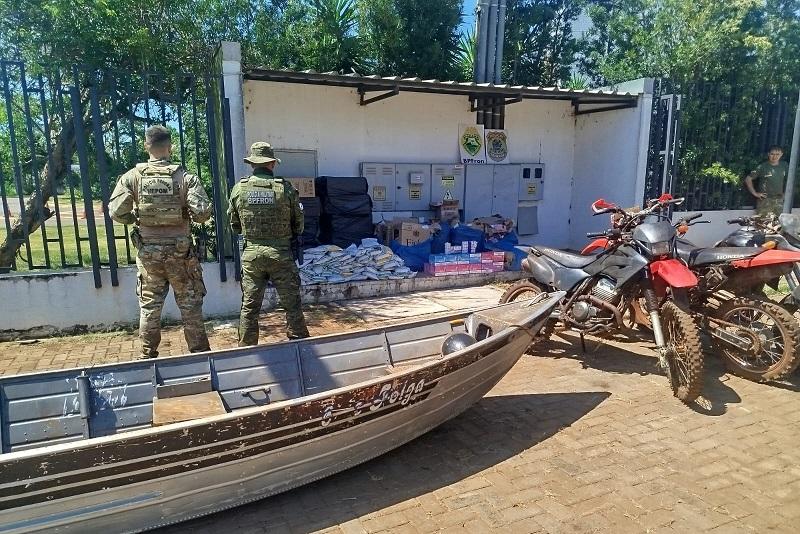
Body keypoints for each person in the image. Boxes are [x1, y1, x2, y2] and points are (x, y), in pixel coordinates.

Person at [109, 125, 212, 358]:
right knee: (190, 307)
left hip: (148, 255)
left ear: (146, 146)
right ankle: (200, 355)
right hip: (181, 254)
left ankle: (147, 355)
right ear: (170, 147)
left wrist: (135, 217)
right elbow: (203, 213)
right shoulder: (186, 178)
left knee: (150, 308)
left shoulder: (132, 177)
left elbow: (116, 212)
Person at [228, 142, 309, 345]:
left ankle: (246, 348)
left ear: (253, 164)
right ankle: (299, 344)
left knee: (249, 305)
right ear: (272, 164)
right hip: (280, 253)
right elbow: (299, 224)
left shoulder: (239, 189)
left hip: (252, 255)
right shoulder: (285, 189)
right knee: (292, 303)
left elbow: (234, 225)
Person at [745, 145, 789, 216]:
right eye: (772, 154)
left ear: (781, 154)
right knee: (762, 223)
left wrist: (786, 193)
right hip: (765, 200)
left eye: (777, 154)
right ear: (768, 154)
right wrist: (755, 193)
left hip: (779, 200)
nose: (775, 157)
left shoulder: (784, 166)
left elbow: (789, 180)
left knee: (779, 224)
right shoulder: (762, 167)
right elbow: (748, 179)